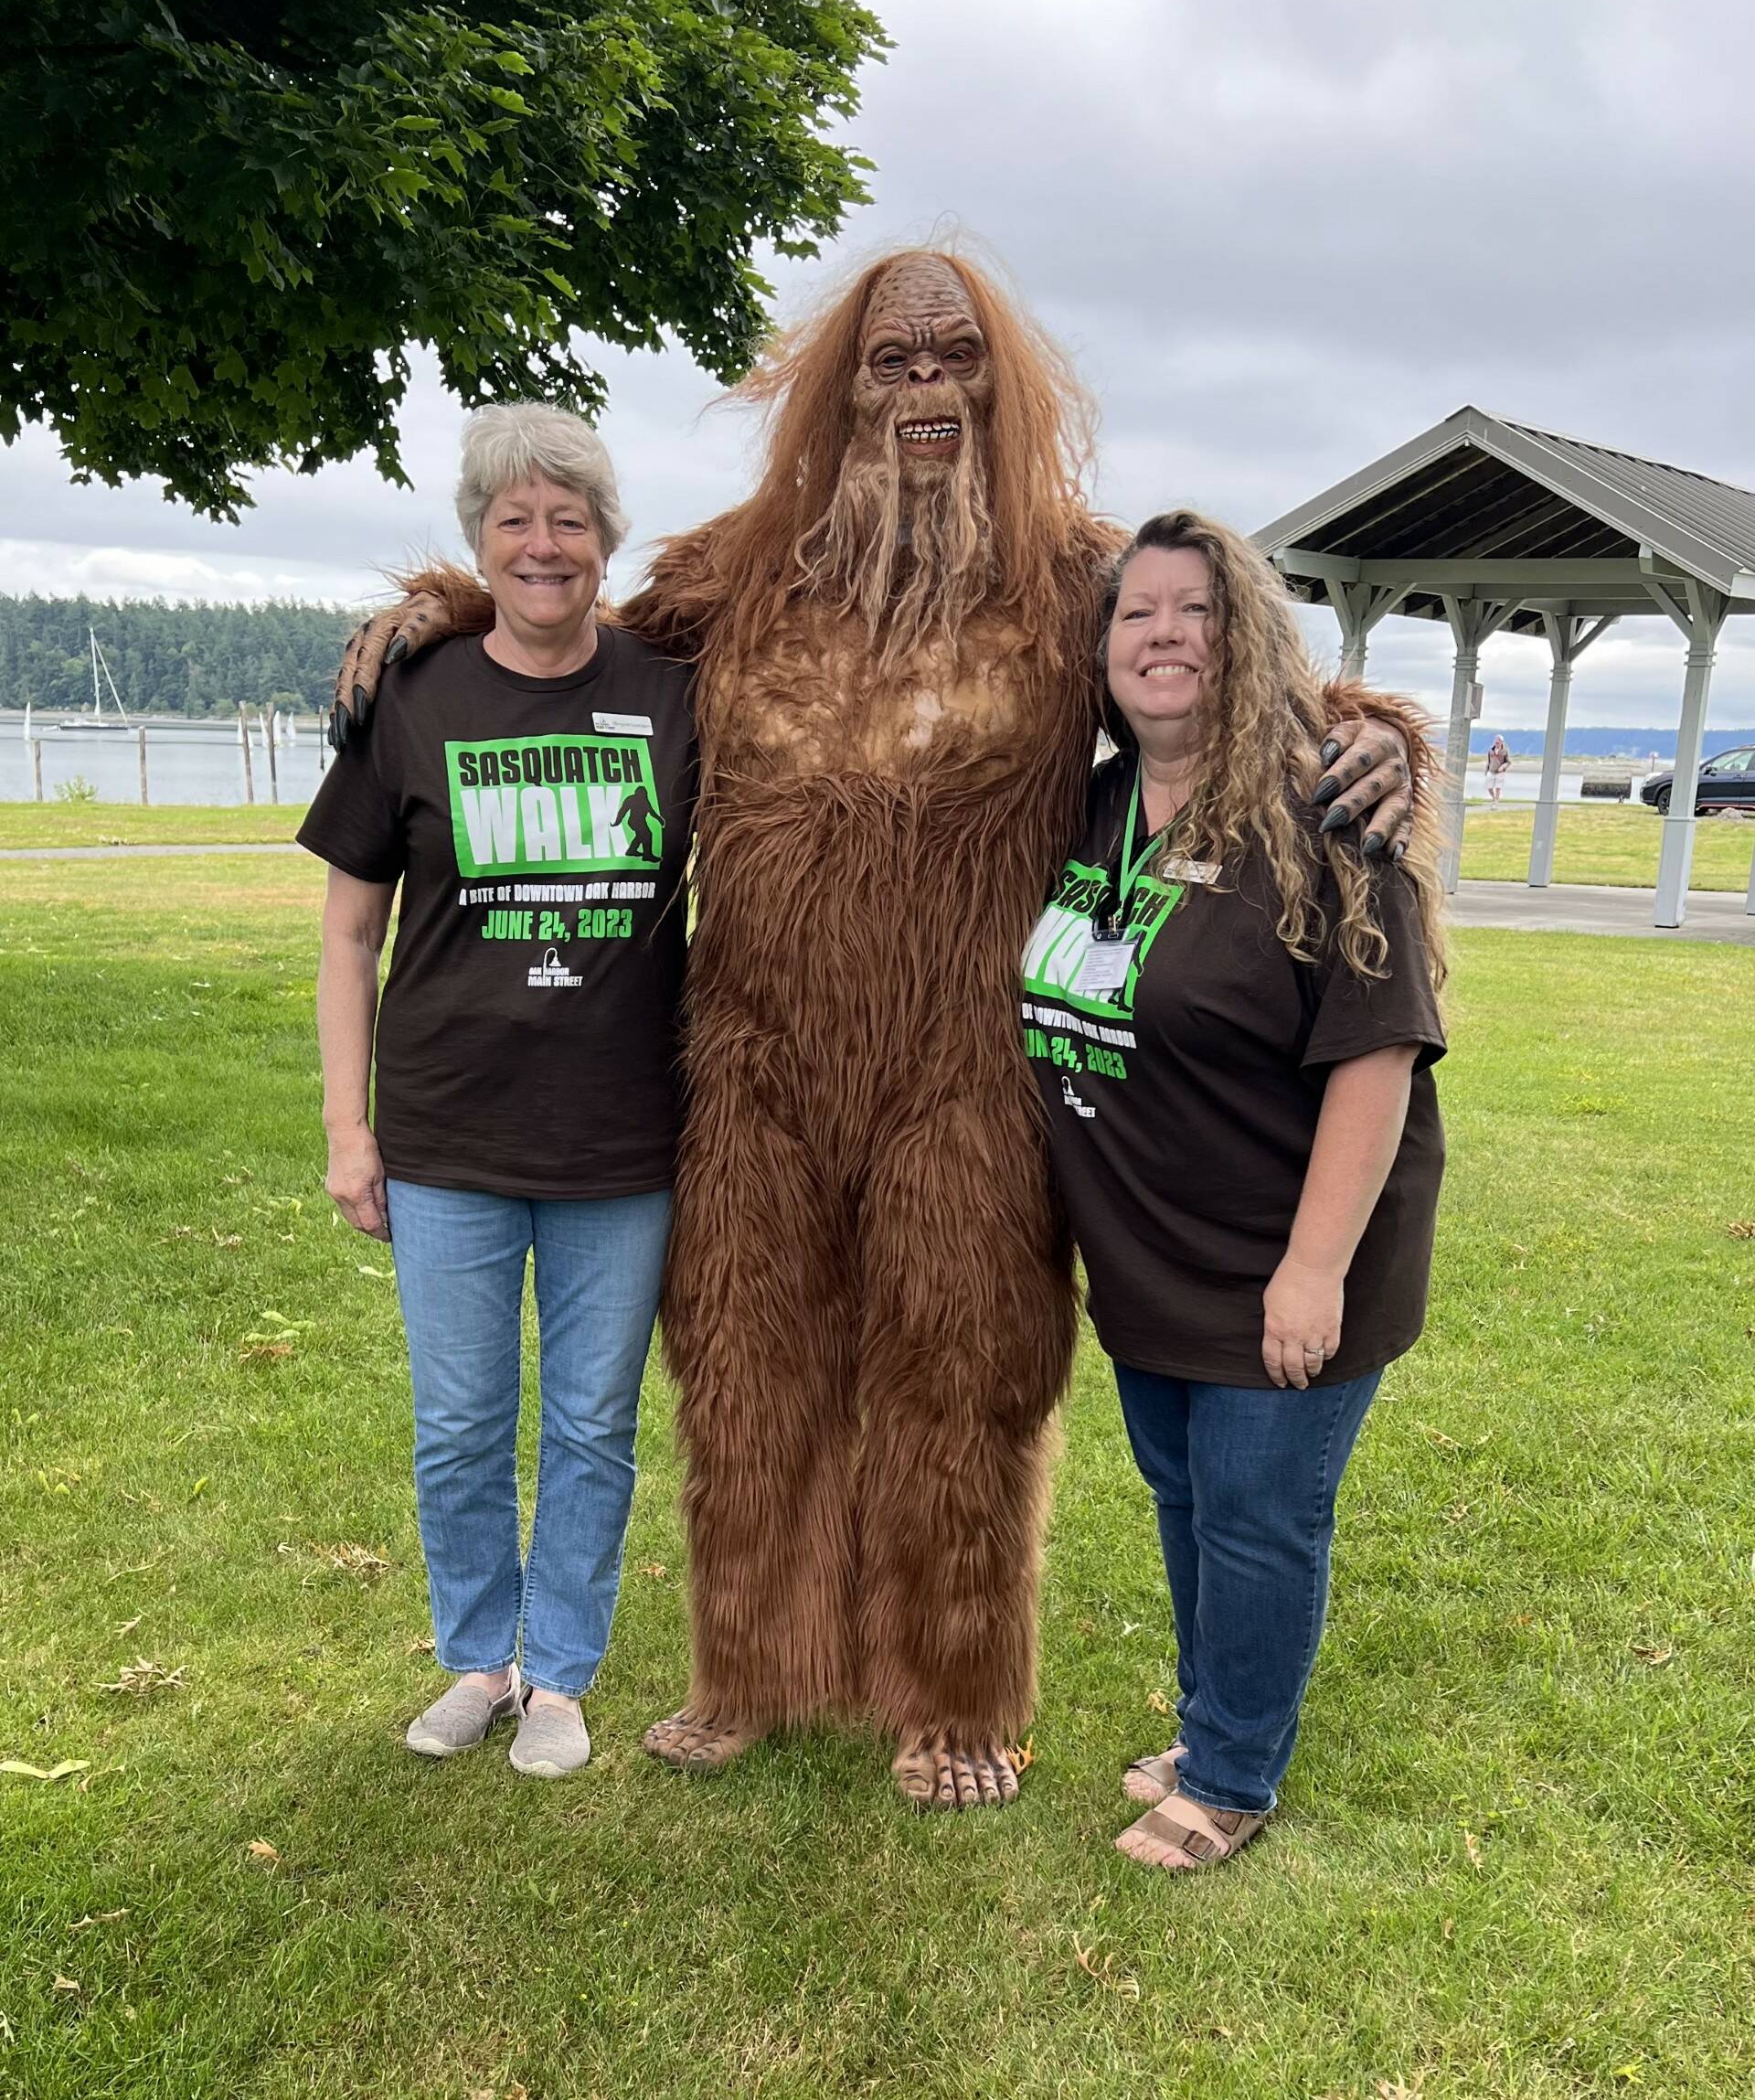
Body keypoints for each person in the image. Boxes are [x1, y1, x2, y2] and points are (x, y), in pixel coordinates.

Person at [325, 250, 1421, 1812]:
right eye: (891, 367)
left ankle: (956, 1694)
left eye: (954, 361)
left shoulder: (1070, 578)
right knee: (747, 1360)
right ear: (840, 393)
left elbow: (1215, 675)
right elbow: (569, 644)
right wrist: (436, 615)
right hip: (750, 1058)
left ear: (1003, 383)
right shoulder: (741, 568)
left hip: (972, 1066)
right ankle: (750, 1671)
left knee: (959, 1362)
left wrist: (1370, 735)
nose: (924, 394)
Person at [1021, 508, 1446, 1871]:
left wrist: (1311, 1268)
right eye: (1135, 611)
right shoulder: (1087, 807)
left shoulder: (1325, 808)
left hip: (1288, 1250)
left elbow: (1378, 1053)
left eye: (1195, 610)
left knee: (1260, 1513)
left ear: (1245, 634)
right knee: (1187, 1496)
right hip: (1151, 1257)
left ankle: (1237, 1771)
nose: (1162, 635)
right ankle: (1216, 1720)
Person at [298, 404, 696, 1777]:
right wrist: (351, 1128)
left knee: (593, 1421)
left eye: (571, 520)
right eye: (517, 520)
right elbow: (350, 937)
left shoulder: (672, 690)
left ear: (605, 542)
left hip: (622, 1138)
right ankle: (478, 1654)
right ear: (480, 540)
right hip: (448, 1131)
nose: (544, 544)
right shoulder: (414, 694)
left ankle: (564, 1670)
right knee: (461, 1419)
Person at [1485, 733, 1511, 804]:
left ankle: (1496, 801)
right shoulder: (1491, 750)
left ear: (1502, 742)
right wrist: (1486, 770)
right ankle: (1494, 798)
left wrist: (1503, 767)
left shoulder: (1505, 751)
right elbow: (1489, 761)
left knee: (1498, 788)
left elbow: (1508, 762)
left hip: (1500, 773)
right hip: (1491, 771)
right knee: (1489, 788)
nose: (1497, 743)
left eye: (1498, 742)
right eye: (1496, 742)